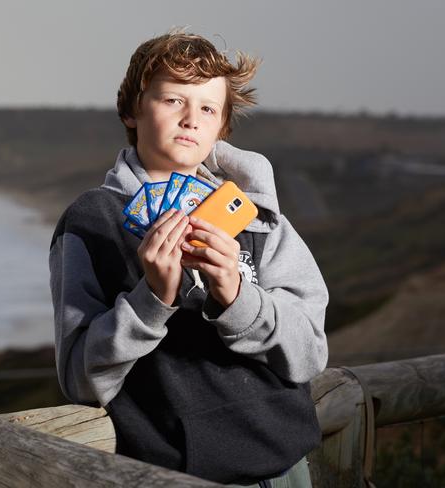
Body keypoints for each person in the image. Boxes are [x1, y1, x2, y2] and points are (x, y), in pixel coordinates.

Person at [49, 30, 329, 487]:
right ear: (131, 111)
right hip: (171, 474)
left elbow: (310, 354)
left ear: (222, 129)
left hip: (285, 465)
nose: (190, 120)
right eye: (172, 100)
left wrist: (237, 297)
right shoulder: (91, 221)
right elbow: (81, 381)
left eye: (207, 108)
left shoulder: (256, 215)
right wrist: (153, 298)